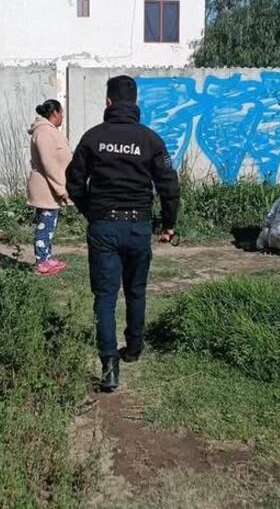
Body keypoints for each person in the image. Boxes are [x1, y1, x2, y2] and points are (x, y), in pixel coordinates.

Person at [66, 75, 180, 392]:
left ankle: (109, 365)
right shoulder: (151, 140)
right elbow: (170, 187)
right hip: (138, 226)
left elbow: (74, 183)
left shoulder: (92, 138)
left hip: (103, 226)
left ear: (108, 102)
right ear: (135, 102)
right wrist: (169, 223)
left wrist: (92, 211)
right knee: (135, 291)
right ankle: (133, 348)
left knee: (104, 296)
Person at [27, 99, 72, 276]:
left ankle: (47, 256)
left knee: (50, 223)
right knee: (45, 224)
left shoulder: (49, 131)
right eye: (62, 113)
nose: (62, 117)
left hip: (51, 186)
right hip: (46, 187)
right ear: (55, 113)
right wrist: (61, 189)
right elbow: (49, 164)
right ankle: (42, 261)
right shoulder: (44, 132)